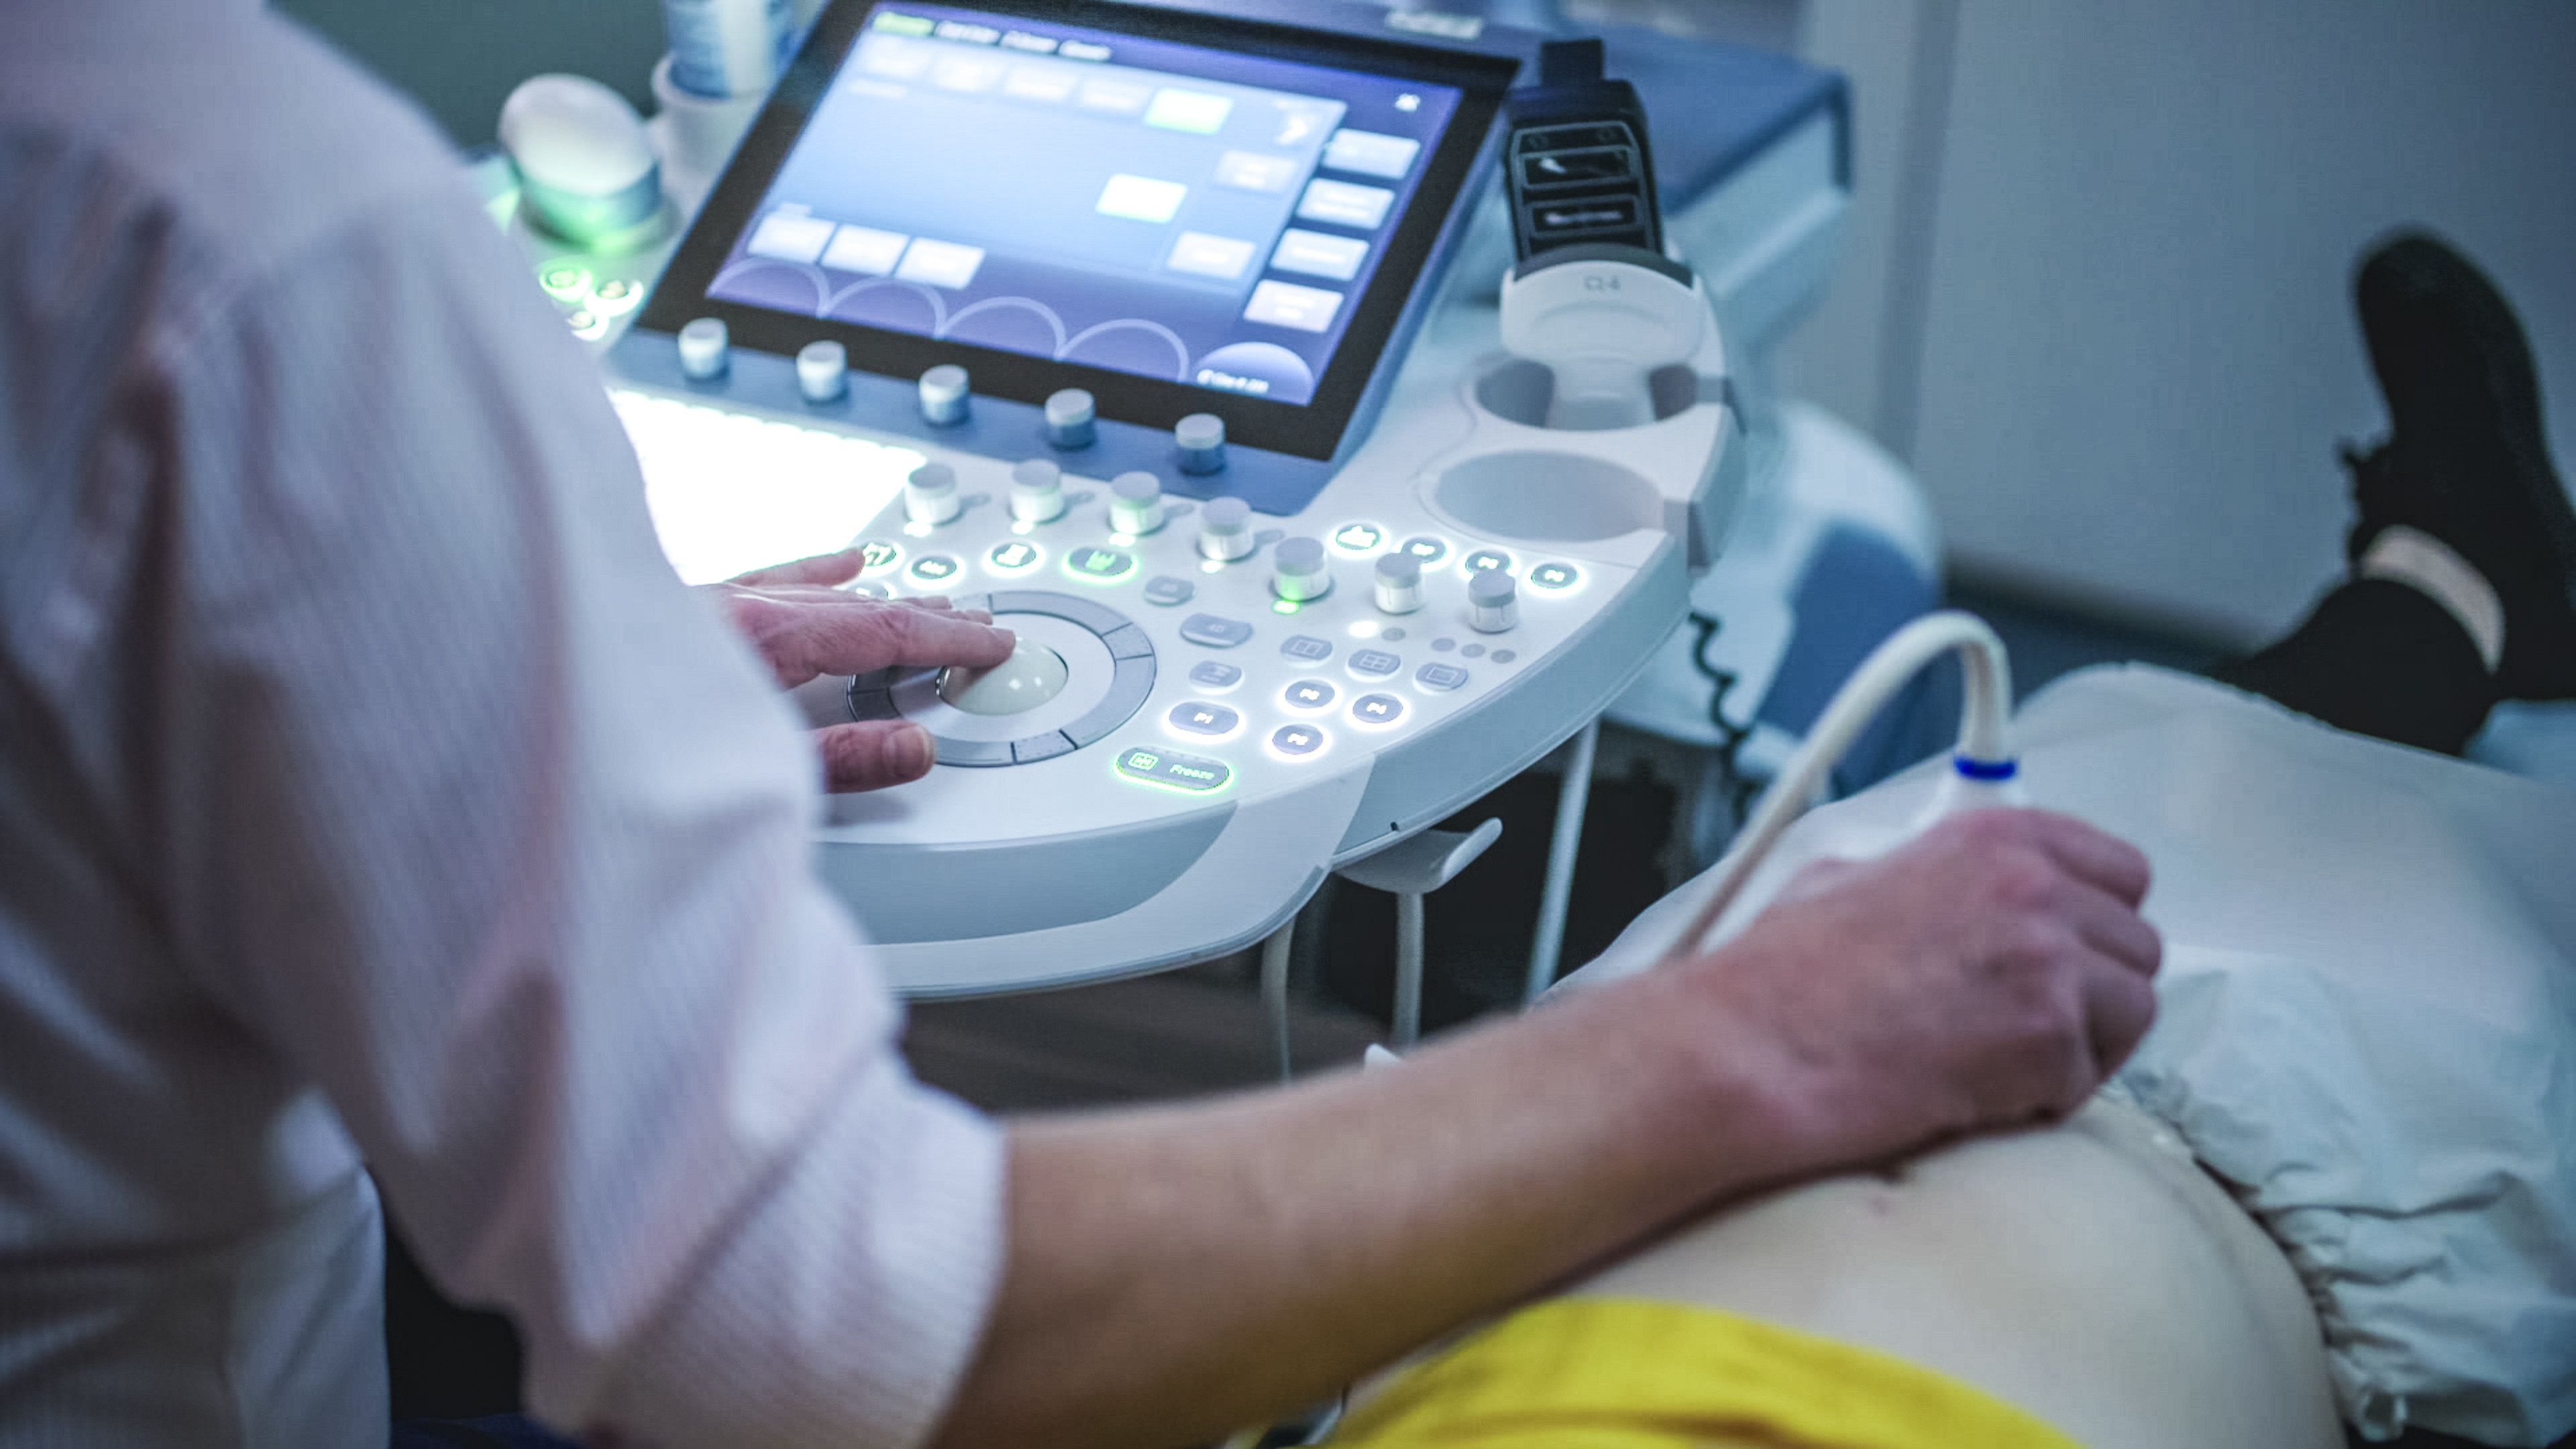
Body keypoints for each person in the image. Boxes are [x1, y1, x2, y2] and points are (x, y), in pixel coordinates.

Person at [1, 8, 2156, 1449]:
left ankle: (2423, 601)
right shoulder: (238, 233)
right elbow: (808, 1324)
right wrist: (1757, 1035)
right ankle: (2422, 620)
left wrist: (458, 687)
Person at [1321, 230, 2576, 1449]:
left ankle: (2441, 593)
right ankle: (2446, 593)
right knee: (2283, 906)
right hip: (2203, 1191)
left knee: (2067, 827)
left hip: (1558, 1249)